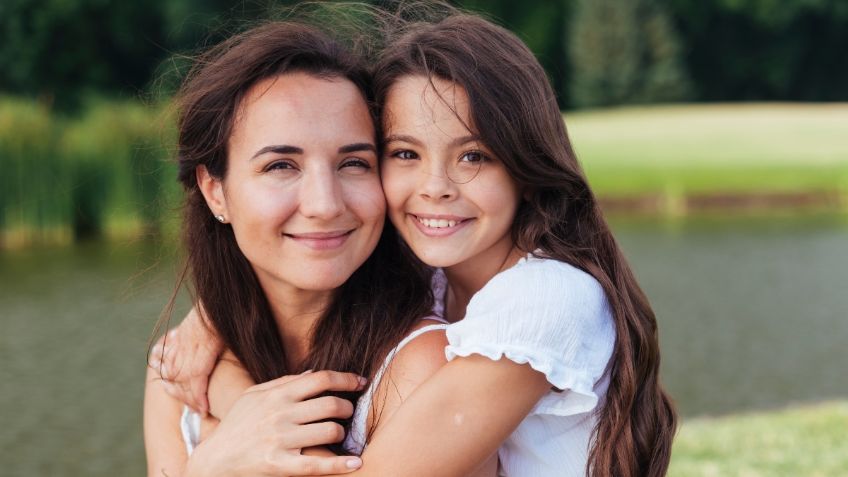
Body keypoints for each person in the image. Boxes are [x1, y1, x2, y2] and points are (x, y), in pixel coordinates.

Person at [155, 6, 677, 477]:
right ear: (214, 190)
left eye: (473, 156)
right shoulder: (431, 277)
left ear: (525, 165)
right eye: (405, 154)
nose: (435, 187)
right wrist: (209, 322)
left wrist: (221, 453)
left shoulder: (545, 299)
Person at [143, 20, 455, 477]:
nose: (325, 205)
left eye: (353, 163)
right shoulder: (179, 372)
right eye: (281, 165)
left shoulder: (422, 368)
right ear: (215, 192)